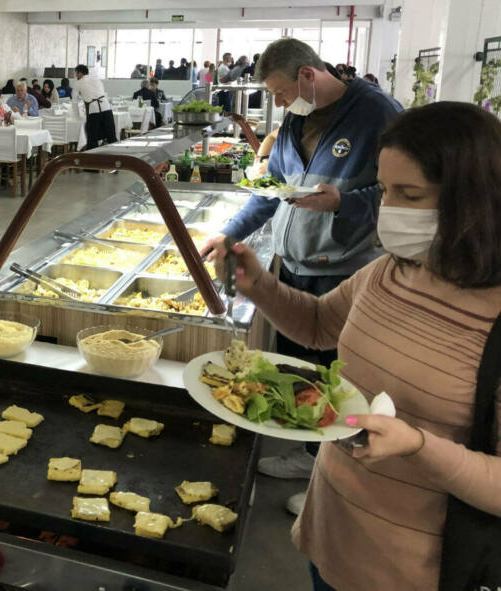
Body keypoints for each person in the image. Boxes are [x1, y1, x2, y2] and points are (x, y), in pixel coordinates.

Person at [210, 101, 501, 591]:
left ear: (476, 198)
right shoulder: (391, 272)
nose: (388, 210)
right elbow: (321, 326)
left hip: (418, 569)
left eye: (410, 194)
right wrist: (257, 285)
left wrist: (418, 446)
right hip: (334, 533)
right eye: (385, 190)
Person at [202, 37, 403, 511]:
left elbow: (398, 193)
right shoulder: (295, 119)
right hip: (294, 264)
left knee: (337, 376)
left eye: (277, 92)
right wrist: (229, 234)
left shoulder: (377, 114)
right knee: (299, 367)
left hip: (345, 270)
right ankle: (309, 451)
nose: (276, 103)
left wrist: (343, 203)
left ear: (307, 76)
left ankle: (331, 472)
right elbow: (268, 190)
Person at [72, 64, 116, 149]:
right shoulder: (96, 79)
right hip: (106, 107)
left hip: (93, 110)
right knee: (111, 136)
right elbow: (102, 92)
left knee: (92, 138)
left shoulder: (78, 83)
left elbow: (74, 101)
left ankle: (93, 158)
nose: (76, 76)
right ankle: (116, 156)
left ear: (80, 73)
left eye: (76, 73)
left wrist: (77, 117)